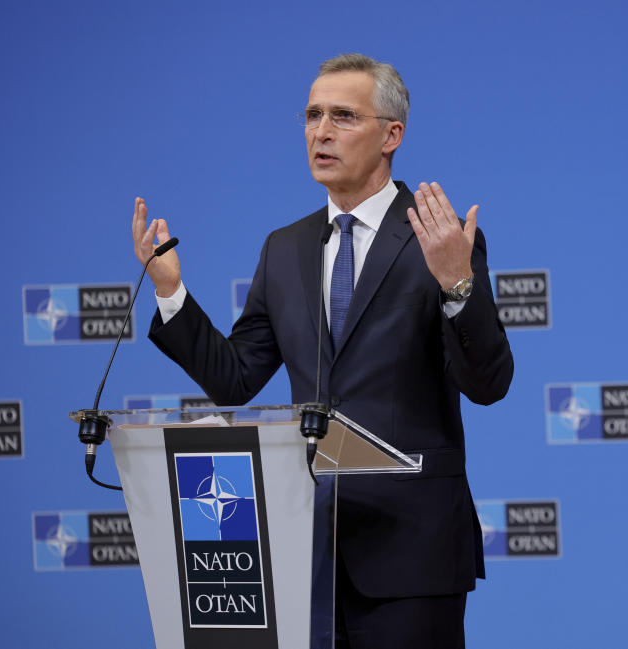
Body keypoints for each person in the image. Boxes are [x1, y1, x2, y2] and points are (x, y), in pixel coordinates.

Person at [131, 53, 513, 648]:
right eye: (312, 115)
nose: (321, 131)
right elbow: (236, 379)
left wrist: (457, 285)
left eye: (343, 116)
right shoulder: (284, 248)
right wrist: (170, 292)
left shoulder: (440, 242)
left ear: (392, 135)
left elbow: (489, 383)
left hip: (411, 553)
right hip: (303, 547)